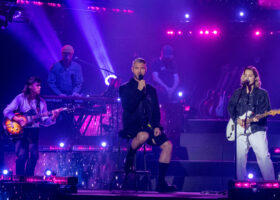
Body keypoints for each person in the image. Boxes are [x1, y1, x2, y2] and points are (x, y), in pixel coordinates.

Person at [119, 58, 176, 192]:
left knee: (168, 146)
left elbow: (156, 110)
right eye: (137, 68)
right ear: (132, 69)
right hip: (133, 125)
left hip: (149, 127)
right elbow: (129, 107)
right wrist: (138, 91)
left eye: (142, 68)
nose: (140, 70)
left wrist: (156, 126)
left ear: (146, 70)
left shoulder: (151, 90)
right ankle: (130, 154)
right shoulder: (124, 88)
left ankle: (161, 184)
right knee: (143, 135)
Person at [3, 77, 61, 176]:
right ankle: (20, 180)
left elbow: (44, 121)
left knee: (34, 156)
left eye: (40, 85)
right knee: (22, 156)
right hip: (20, 132)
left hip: (34, 132)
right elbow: (6, 111)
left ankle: (29, 179)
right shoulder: (20, 98)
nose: (40, 87)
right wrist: (17, 119)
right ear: (30, 86)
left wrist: (53, 117)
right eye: (37, 85)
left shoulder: (41, 102)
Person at [228, 66, 275, 180]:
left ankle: (272, 185)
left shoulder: (262, 94)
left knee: (263, 157)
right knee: (239, 159)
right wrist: (237, 120)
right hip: (239, 129)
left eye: (250, 75)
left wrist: (254, 118)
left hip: (256, 129)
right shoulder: (238, 93)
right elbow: (230, 108)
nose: (247, 78)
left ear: (255, 78)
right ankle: (240, 184)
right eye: (245, 75)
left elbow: (266, 110)